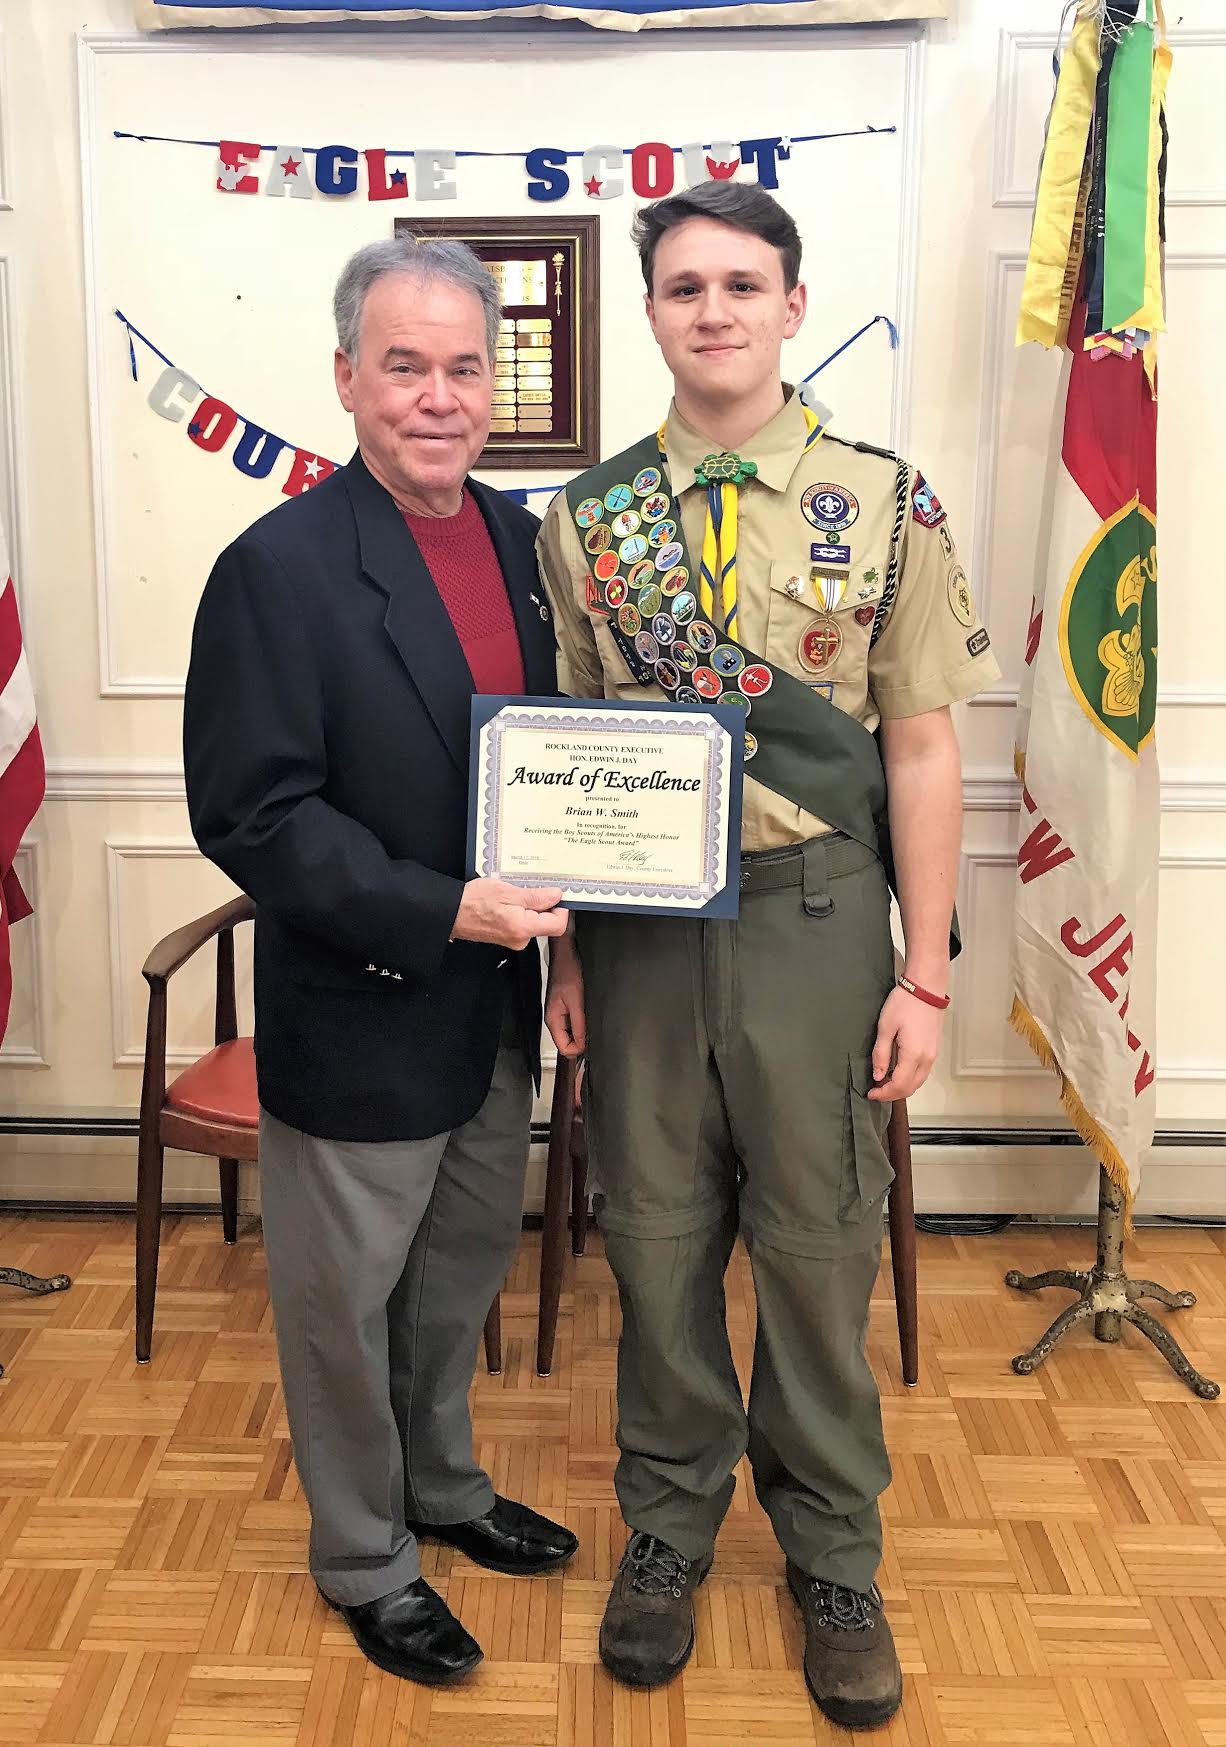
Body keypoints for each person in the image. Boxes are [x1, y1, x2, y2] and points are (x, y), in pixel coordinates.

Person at [536, 181, 1001, 1730]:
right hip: (645, 932)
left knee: (815, 1245)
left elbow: (919, 749)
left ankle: (830, 1553)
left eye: (742, 283)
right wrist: (567, 958)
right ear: (650, 315)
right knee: (654, 1240)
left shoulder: (882, 500)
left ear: (792, 306)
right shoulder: (588, 520)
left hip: (818, 922)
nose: (714, 310)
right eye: (683, 287)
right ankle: (668, 1527)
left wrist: (922, 973)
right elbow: (569, 756)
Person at [184, 237, 578, 1688]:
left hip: (498, 1006)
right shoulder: (275, 567)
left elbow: (570, 772)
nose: (438, 396)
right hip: (364, 1005)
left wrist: (568, 946)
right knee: (343, 1309)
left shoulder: (528, 545)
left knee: (456, 1278)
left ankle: (443, 1487)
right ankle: (364, 1553)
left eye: (465, 368)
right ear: (347, 377)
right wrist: (442, 910)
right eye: (404, 367)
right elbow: (254, 814)